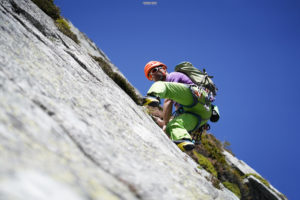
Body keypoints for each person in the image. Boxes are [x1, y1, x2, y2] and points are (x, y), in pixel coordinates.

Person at [143, 61, 213, 151]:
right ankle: (184, 140)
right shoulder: (177, 94)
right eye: (151, 76)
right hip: (202, 115)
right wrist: (166, 125)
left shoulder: (173, 76)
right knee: (173, 126)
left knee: (160, 85)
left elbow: (168, 101)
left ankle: (153, 95)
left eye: (155, 70)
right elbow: (179, 111)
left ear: (164, 69)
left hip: (197, 97)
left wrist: (164, 123)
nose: (154, 75)